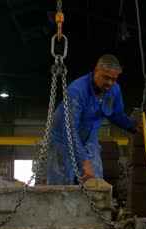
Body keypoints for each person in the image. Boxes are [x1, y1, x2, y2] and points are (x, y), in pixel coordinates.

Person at [46, 54, 139, 185]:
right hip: (62, 140)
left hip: (89, 139)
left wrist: (134, 126)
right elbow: (70, 131)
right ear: (96, 71)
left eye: (113, 79)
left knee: (95, 185)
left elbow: (116, 114)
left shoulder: (114, 91)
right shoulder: (77, 91)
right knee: (62, 188)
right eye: (106, 78)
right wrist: (84, 161)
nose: (109, 83)